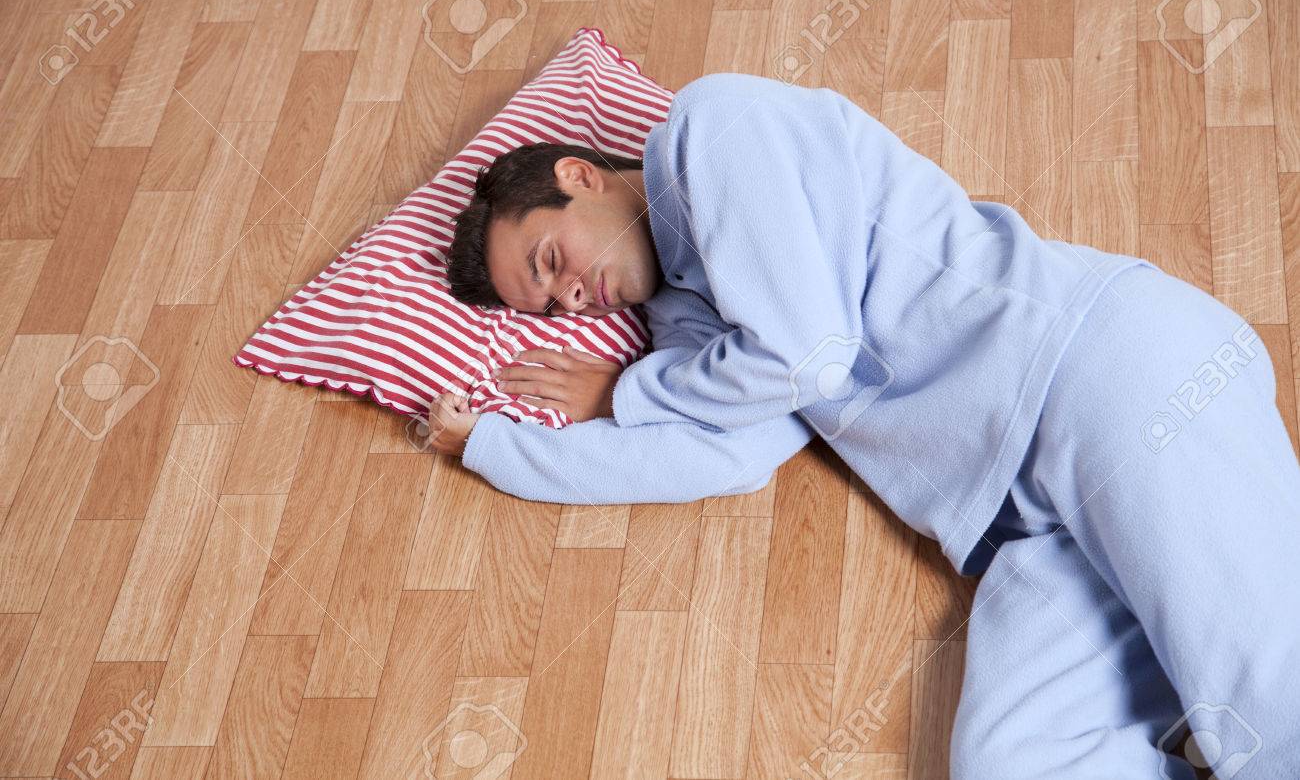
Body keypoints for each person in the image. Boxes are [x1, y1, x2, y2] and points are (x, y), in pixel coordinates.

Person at [435, 73, 1300, 778]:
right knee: (1018, 762)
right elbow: (729, 453)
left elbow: (809, 352)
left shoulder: (712, 132)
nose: (572, 296)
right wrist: (494, 444)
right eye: (550, 305)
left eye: (553, 262)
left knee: (1273, 709)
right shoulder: (685, 322)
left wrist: (631, 393)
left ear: (580, 177)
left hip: (1103, 378)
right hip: (1022, 526)